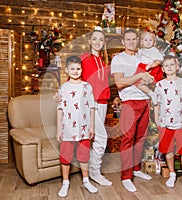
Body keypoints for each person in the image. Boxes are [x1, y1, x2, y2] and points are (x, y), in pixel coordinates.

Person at [111, 28, 155, 193]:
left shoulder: (143, 57)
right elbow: (120, 83)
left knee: (140, 138)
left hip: (145, 100)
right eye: (128, 39)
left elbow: (152, 76)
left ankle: (136, 169)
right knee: (128, 140)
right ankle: (126, 176)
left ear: (137, 40)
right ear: (123, 42)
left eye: (134, 39)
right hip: (129, 102)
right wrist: (139, 76)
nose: (131, 42)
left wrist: (150, 79)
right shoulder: (119, 59)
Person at [153, 55, 182, 190]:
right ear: (163, 69)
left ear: (177, 66)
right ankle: (172, 174)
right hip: (165, 123)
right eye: (166, 65)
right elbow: (156, 103)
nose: (169, 67)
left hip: (181, 123)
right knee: (168, 150)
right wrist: (157, 120)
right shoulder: (160, 85)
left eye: (172, 64)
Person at [57, 56, 98, 197]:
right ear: (67, 70)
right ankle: (65, 182)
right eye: (72, 69)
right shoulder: (63, 87)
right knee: (66, 156)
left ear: (81, 69)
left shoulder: (87, 86)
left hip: (84, 128)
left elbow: (92, 107)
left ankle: (86, 181)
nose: (75, 71)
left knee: (84, 155)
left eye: (78, 68)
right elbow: (60, 109)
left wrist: (92, 126)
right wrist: (58, 130)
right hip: (67, 128)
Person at [80, 27, 112, 186]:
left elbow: (104, 83)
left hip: (103, 103)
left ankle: (91, 170)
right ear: (89, 41)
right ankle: (95, 171)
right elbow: (73, 78)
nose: (98, 42)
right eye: (95, 39)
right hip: (90, 105)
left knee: (94, 138)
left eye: (101, 39)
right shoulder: (84, 58)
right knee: (101, 137)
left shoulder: (105, 61)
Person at [135, 31, 164, 104]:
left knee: (143, 83)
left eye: (150, 40)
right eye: (145, 40)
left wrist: (151, 65)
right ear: (142, 41)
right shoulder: (141, 51)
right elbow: (137, 58)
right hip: (143, 69)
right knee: (137, 83)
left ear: (154, 41)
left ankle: (155, 94)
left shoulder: (154, 50)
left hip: (152, 70)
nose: (148, 42)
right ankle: (151, 94)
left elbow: (159, 60)